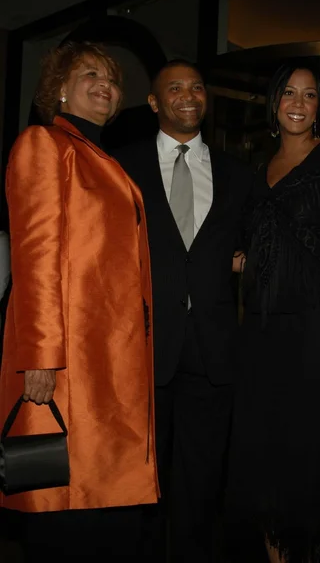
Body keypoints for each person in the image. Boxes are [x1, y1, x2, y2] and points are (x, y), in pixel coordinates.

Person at [0, 40, 159, 561]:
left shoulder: (103, 159)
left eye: (112, 80)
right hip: (70, 361)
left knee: (108, 505)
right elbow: (35, 255)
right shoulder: (44, 144)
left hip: (110, 358)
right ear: (60, 89)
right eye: (89, 74)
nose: (104, 85)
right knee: (66, 502)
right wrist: (40, 356)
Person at [226, 60, 320, 563]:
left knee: (307, 470)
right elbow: (247, 251)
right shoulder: (257, 170)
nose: (298, 103)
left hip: (317, 336)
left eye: (309, 96)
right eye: (289, 92)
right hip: (263, 338)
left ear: (319, 108)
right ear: (274, 101)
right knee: (264, 463)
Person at [112, 59, 252, 562]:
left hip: (214, 353)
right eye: (174, 88)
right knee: (141, 484)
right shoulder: (121, 166)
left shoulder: (237, 173)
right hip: (143, 348)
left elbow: (254, 244)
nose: (188, 95)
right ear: (154, 102)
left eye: (196, 87)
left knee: (201, 485)